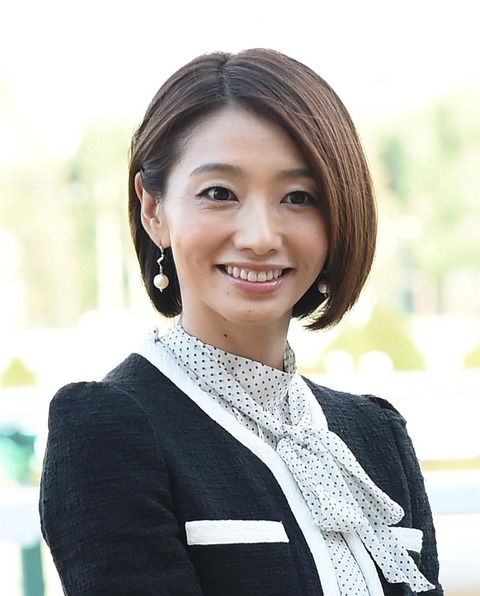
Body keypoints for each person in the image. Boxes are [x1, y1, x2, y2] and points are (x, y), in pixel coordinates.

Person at [39, 49, 443, 595]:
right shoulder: (110, 428)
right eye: (219, 194)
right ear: (153, 210)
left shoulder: (375, 434)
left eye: (298, 197)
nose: (260, 237)